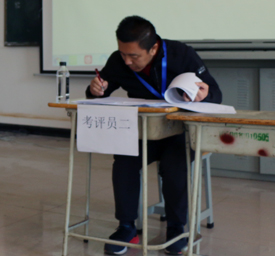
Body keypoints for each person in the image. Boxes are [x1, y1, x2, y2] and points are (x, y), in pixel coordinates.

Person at [87, 16, 222, 256]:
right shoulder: (119, 61)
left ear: (153, 48)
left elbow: (216, 95)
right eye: (123, 54)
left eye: (134, 56)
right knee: (124, 161)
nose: (127, 61)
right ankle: (126, 227)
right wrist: (95, 89)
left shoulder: (182, 55)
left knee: (174, 165)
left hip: (180, 133)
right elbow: (101, 90)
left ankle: (176, 228)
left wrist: (205, 95)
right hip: (144, 131)